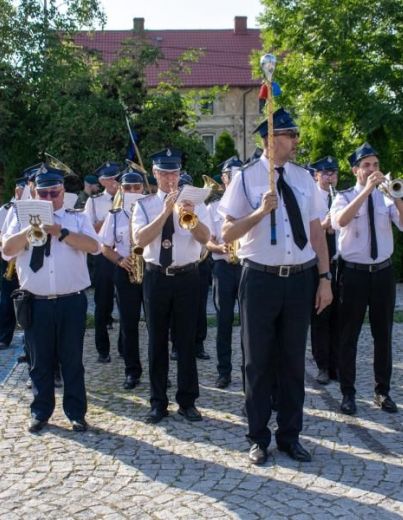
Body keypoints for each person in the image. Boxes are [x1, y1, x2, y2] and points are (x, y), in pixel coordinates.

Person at [219, 108, 333, 465]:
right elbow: (227, 233)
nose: (296, 140)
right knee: (257, 362)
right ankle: (257, 437)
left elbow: (315, 232)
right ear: (270, 139)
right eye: (290, 135)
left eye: (296, 134)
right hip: (260, 279)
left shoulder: (303, 178)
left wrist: (325, 278)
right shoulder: (246, 178)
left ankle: (290, 436)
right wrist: (257, 213)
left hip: (300, 278)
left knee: (293, 362)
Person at [1, 166, 102, 433]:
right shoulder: (19, 217)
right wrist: (29, 230)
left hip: (71, 300)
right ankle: (41, 411)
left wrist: (61, 232)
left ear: (62, 192)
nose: (48, 198)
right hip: (36, 301)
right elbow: (6, 250)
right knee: (40, 362)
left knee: (72, 360)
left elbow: (95, 247)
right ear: (35, 192)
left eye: (54, 193)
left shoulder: (75, 217)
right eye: (43, 193)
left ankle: (76, 413)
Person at [332, 142, 403, 417]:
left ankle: (382, 392)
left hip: (382, 273)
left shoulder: (386, 198)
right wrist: (366, 191)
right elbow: (340, 221)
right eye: (366, 165)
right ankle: (348, 393)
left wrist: (396, 196)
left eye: (376, 165)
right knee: (348, 336)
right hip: (353, 273)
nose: (372, 170)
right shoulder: (343, 196)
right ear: (356, 170)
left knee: (383, 335)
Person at [131, 148, 211, 424]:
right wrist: (165, 212)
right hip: (156, 277)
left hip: (188, 276)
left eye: (174, 172)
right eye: (164, 173)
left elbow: (205, 238)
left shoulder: (195, 204)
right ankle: (157, 402)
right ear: (154, 174)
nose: (170, 178)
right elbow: (140, 240)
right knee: (156, 340)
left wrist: (191, 218)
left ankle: (188, 401)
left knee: (186, 340)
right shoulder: (143, 206)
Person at [99, 171, 146, 389]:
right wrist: (119, 260)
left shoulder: (152, 211)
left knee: (158, 325)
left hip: (151, 270)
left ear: (143, 189)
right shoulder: (115, 214)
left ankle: (159, 371)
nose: (133, 192)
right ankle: (132, 371)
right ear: (121, 190)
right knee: (129, 325)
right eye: (129, 188)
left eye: (137, 188)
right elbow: (105, 247)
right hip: (125, 271)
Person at [205, 156, 244, 389]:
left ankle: (248, 370)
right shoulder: (213, 207)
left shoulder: (250, 205)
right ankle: (224, 371)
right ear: (224, 179)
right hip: (223, 267)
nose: (236, 180)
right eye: (232, 176)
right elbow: (208, 242)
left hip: (247, 267)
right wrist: (219, 248)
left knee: (250, 323)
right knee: (224, 321)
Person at [169, 172, 212, 362]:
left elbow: (206, 236)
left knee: (200, 307)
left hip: (198, 263)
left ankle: (198, 344)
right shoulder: (170, 206)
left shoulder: (201, 207)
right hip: (178, 264)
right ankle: (177, 345)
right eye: (181, 188)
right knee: (174, 310)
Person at [84, 163, 122, 362]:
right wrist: (111, 214)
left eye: (116, 177)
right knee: (102, 303)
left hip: (124, 254)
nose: (113, 182)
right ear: (101, 181)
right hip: (103, 256)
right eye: (109, 179)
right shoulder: (94, 202)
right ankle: (102, 350)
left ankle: (124, 348)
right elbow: (90, 230)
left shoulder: (129, 197)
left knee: (126, 304)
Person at [309, 156, 341, 385]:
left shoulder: (342, 198)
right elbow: (304, 233)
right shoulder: (310, 199)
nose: (330, 178)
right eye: (325, 173)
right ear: (316, 175)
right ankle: (321, 365)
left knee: (340, 316)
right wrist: (323, 225)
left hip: (340, 262)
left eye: (333, 173)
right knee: (320, 315)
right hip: (317, 263)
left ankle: (336, 364)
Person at [0, 176, 26, 350]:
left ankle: (29, 338)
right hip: (11, 259)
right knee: (7, 299)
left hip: (27, 259)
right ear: (17, 190)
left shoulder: (32, 208)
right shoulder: (7, 209)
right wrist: (10, 249)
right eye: (22, 189)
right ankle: (4, 337)